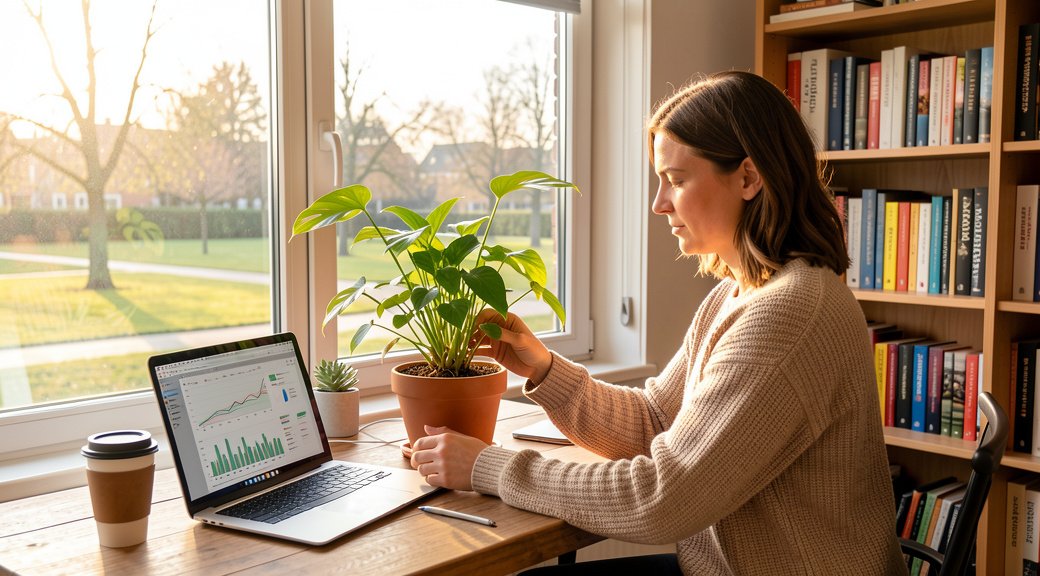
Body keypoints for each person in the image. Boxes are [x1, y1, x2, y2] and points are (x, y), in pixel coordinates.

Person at [409, 70, 907, 575]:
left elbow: (660, 499)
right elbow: (657, 421)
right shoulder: (736, 295)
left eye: (676, 180)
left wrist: (487, 466)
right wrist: (543, 370)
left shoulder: (790, 313)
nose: (658, 203)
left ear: (749, 178)